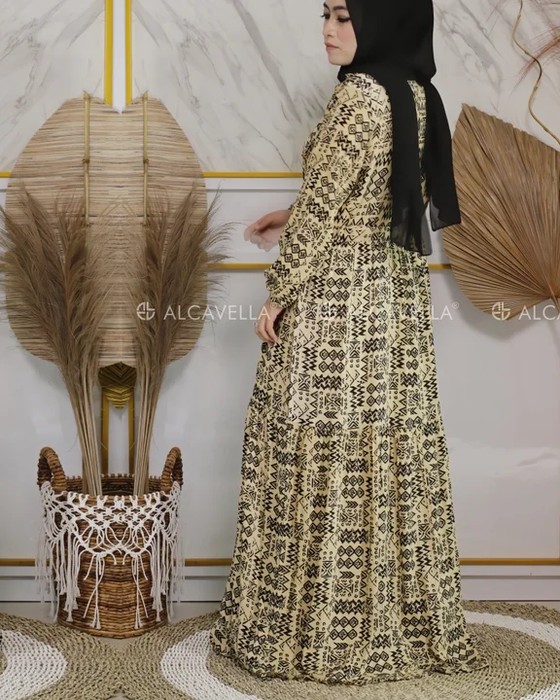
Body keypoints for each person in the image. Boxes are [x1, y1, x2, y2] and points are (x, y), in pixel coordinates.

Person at [209, 0, 489, 685]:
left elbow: (327, 209)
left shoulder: (360, 96)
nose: (330, 31)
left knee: (314, 449)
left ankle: (310, 633)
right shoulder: (416, 94)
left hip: (337, 310)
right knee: (381, 455)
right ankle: (391, 625)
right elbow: (365, 195)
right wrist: (291, 211)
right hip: (392, 309)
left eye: (346, 16)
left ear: (384, 20)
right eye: (326, 15)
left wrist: (279, 291)